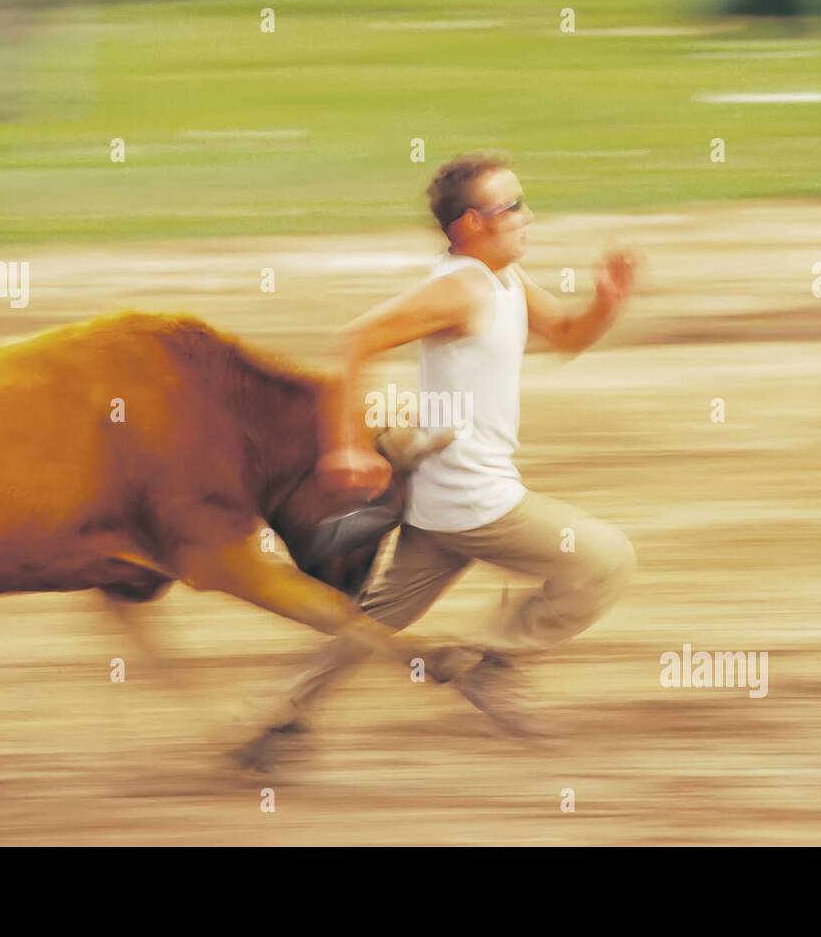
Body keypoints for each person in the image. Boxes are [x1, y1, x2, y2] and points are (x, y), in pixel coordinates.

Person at [247, 150, 640, 764]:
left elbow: (565, 334)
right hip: (474, 503)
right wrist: (344, 446)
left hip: (439, 499)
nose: (527, 216)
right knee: (605, 561)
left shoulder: (502, 278)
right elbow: (356, 340)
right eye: (511, 207)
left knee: (372, 623)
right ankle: (486, 661)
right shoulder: (460, 288)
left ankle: (285, 719)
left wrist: (606, 304)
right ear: (470, 225)